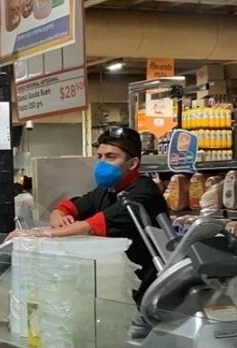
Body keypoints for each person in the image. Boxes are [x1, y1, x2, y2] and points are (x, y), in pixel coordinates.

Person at [45, 127, 168, 302]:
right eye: (99, 157)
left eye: (111, 157)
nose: (102, 164)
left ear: (132, 164)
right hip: (120, 288)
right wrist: (58, 214)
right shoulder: (106, 190)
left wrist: (42, 234)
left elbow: (90, 227)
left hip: (149, 292)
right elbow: (69, 206)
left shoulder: (143, 192)